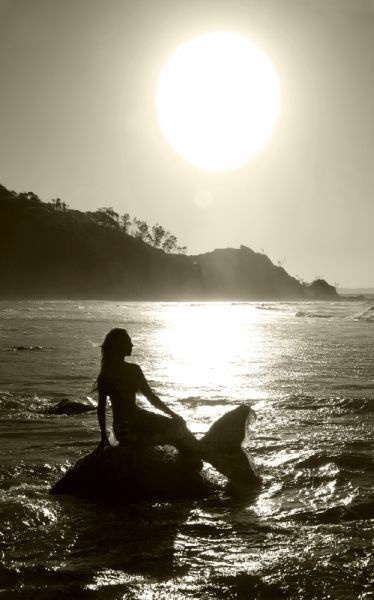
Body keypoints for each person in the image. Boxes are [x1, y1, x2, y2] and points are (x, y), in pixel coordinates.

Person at [96, 328, 201, 467]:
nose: (132, 345)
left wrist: (104, 437)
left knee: (175, 426)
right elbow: (151, 398)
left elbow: (101, 409)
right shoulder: (133, 370)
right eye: (128, 342)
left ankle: (192, 460)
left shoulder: (106, 373)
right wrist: (174, 415)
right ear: (119, 345)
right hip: (132, 428)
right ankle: (196, 459)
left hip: (123, 429)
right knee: (178, 427)